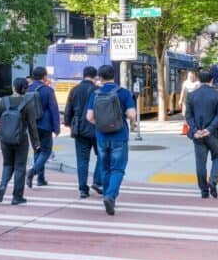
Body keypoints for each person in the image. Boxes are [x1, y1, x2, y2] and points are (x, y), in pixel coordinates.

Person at [87, 64, 137, 215]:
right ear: (114, 76)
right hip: (119, 135)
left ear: (99, 78)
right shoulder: (124, 93)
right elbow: (131, 115)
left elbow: (89, 117)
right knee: (118, 168)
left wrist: (101, 124)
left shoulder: (95, 93)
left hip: (101, 136)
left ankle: (107, 194)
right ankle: (110, 196)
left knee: (105, 167)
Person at [0, 77, 40, 205]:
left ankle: (2, 186)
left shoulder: (4, 101)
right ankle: (17, 196)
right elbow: (32, 126)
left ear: (13, 87)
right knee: (20, 167)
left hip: (5, 138)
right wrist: (36, 143)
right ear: (25, 89)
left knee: (7, 164)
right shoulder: (28, 103)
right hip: (21, 139)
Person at [185, 69, 218, 199]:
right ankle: (213, 181)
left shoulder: (191, 95)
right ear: (211, 80)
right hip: (214, 133)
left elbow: (188, 115)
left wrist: (196, 130)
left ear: (199, 80)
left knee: (200, 162)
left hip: (198, 134)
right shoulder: (217, 95)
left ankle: (204, 191)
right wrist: (210, 129)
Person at [64, 66, 102, 198]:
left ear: (83, 75)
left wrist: (69, 124)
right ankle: (97, 181)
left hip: (80, 130)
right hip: (97, 129)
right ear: (95, 76)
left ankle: (83, 189)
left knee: (82, 160)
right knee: (102, 156)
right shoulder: (98, 90)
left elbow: (68, 110)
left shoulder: (74, 90)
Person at [27, 66, 60, 187]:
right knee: (46, 151)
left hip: (32, 125)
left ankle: (40, 178)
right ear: (44, 76)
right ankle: (33, 171)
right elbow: (54, 109)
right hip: (45, 124)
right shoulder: (48, 90)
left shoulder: (27, 89)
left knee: (37, 150)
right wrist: (56, 128)